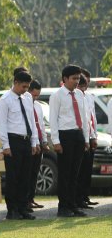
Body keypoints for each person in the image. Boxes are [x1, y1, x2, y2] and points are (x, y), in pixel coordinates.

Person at [0, 71, 39, 220]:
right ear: (15, 82)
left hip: (26, 140)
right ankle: (12, 210)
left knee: (25, 177)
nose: (25, 90)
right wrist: (6, 146)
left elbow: (31, 121)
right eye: (23, 86)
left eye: (27, 87)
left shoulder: (27, 98)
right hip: (13, 140)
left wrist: (34, 142)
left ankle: (23, 208)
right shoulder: (5, 100)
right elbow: (2, 125)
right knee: (13, 177)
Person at [49, 65, 90, 217]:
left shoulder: (79, 94)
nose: (76, 81)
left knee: (75, 173)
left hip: (78, 134)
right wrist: (56, 141)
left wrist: (86, 138)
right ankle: (63, 206)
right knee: (65, 173)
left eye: (78, 78)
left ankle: (73, 205)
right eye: (74, 78)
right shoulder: (57, 95)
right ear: (65, 79)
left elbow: (84, 118)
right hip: (65, 135)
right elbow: (53, 119)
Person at [76, 70, 98, 209]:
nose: (85, 88)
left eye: (87, 84)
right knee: (80, 169)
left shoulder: (89, 97)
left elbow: (92, 118)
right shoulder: (76, 97)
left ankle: (85, 196)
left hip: (89, 135)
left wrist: (93, 136)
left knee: (87, 169)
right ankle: (77, 198)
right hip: (79, 136)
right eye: (83, 85)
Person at [28, 80, 49, 209]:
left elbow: (41, 125)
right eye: (33, 95)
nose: (35, 98)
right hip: (30, 142)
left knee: (35, 172)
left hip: (39, 142)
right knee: (27, 172)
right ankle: (25, 200)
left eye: (37, 95)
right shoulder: (25, 105)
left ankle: (31, 198)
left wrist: (44, 141)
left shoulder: (38, 106)